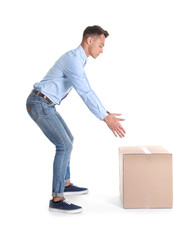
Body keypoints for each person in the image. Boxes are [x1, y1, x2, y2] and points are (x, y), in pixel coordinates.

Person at [26, 25, 126, 214]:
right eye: (101, 45)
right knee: (64, 145)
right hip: (39, 103)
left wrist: (105, 112)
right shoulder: (73, 59)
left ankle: (66, 183)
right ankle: (57, 198)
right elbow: (84, 92)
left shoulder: (79, 61)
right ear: (90, 40)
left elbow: (88, 89)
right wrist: (105, 118)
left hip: (45, 104)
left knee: (68, 140)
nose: (102, 50)